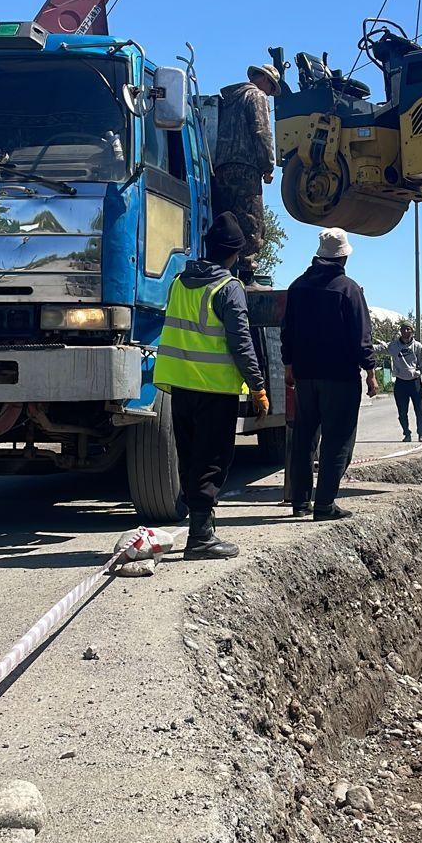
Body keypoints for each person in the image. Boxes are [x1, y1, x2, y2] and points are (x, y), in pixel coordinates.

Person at [154, 212, 269, 560]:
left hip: (180, 386)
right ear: (234, 253)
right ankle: (201, 537)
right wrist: (258, 387)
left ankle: (201, 528)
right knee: (212, 460)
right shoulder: (227, 288)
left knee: (190, 458)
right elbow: (241, 343)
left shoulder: (177, 281)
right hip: (215, 390)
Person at [281, 227, 378, 520]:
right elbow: (362, 337)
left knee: (304, 438)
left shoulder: (298, 286)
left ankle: (300, 503)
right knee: (337, 441)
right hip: (340, 378)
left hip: (306, 376)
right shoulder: (348, 289)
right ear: (344, 258)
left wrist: (289, 366)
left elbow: (288, 332)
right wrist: (371, 373)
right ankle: (324, 505)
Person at [213, 62, 281, 283]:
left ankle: (221, 271)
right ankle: (247, 274)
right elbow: (262, 132)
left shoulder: (228, 99)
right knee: (252, 222)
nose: (270, 94)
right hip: (246, 169)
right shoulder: (256, 96)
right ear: (265, 81)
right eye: (272, 88)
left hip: (221, 168)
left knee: (225, 221)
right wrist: (268, 166)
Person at [378, 321, 422, 442]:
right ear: (400, 331)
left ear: (412, 331)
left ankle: (421, 433)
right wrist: (364, 344)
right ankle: (407, 433)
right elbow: (379, 348)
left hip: (415, 382)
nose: (405, 332)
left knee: (420, 410)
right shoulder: (394, 346)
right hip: (401, 382)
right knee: (402, 411)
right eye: (403, 329)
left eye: (408, 329)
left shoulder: (417, 346)